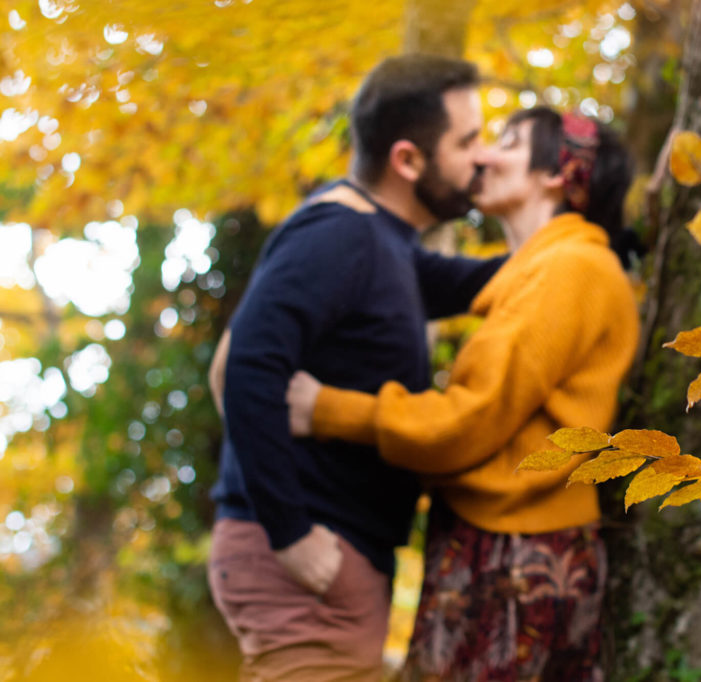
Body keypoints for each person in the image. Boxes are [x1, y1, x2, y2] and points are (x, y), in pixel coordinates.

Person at [287, 106, 640, 681]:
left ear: (556, 174)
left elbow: (467, 419)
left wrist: (327, 409)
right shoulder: (547, 270)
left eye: (508, 142)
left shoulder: (570, 268)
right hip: (510, 544)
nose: (482, 155)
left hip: (516, 554)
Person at [207, 54, 505, 682]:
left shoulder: (384, 243)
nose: (481, 157)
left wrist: (605, 232)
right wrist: (290, 533)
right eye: (468, 140)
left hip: (336, 562)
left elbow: (487, 279)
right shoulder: (338, 235)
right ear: (407, 160)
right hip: (303, 561)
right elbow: (246, 367)